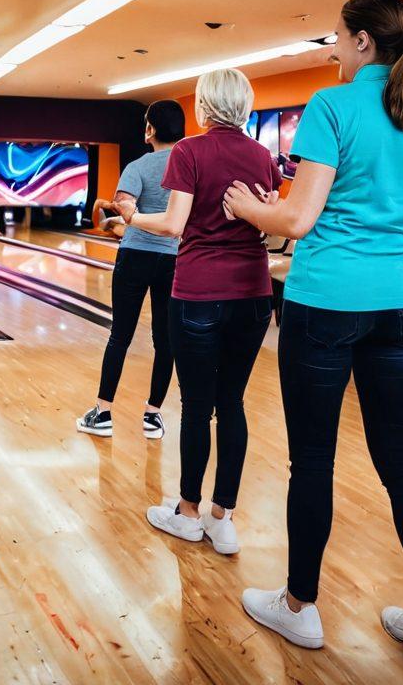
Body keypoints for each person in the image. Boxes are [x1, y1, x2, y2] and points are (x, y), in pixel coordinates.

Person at [222, 0, 403, 672]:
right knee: (401, 461)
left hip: (324, 303)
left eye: (335, 38)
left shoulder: (332, 107)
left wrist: (247, 207)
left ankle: (300, 608)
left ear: (362, 42)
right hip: (393, 304)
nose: (331, 49)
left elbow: (298, 221)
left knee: (314, 460)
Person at [115, 70, 279, 556]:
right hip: (253, 294)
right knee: (232, 404)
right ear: (245, 106)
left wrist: (130, 216)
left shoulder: (188, 151)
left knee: (195, 405)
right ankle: (222, 519)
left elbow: (172, 225)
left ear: (205, 107)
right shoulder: (263, 157)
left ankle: (187, 512)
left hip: (200, 295)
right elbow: (270, 229)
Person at [77, 100, 186, 441]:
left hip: (136, 254)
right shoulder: (189, 166)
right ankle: (153, 416)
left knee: (120, 336)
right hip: (173, 258)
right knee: (164, 340)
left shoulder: (137, 166)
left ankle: (103, 412)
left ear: (150, 129)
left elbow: (125, 210)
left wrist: (124, 215)